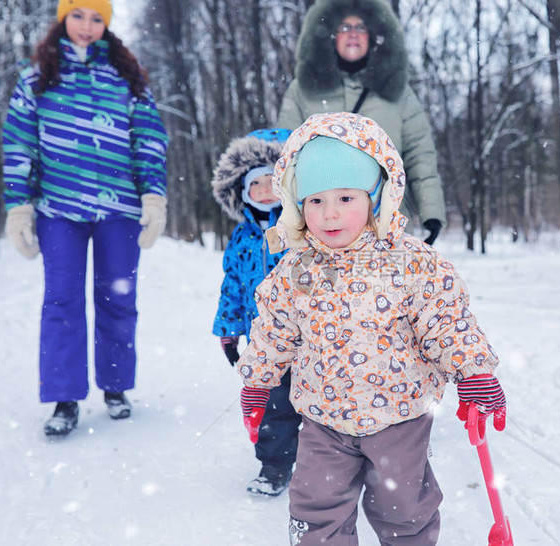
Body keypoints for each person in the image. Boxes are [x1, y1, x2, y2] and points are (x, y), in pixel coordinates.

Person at [236, 112, 507, 545]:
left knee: (404, 514)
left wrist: (474, 373)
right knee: (315, 513)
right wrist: (256, 381)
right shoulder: (294, 270)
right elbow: (273, 332)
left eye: (346, 198)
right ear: (298, 206)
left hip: (400, 417)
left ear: (376, 198)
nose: (329, 214)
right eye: (316, 200)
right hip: (323, 420)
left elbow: (446, 321)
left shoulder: (412, 262)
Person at [2, 0, 169, 437]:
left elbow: (149, 137)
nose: (86, 26)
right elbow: (19, 142)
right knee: (61, 300)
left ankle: (115, 387)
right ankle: (64, 397)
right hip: (59, 209)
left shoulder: (126, 76)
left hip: (120, 211)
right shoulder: (37, 76)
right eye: (78, 15)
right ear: (63, 17)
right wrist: (17, 204)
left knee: (118, 298)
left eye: (97, 18)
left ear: (107, 25)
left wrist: (153, 196)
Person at [277, 0, 447, 245]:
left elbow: (420, 155)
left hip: (387, 221)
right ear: (332, 36)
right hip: (323, 226)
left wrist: (431, 212)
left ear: (372, 36)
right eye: (345, 28)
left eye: (360, 28)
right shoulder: (303, 90)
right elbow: (286, 155)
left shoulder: (398, 91)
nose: (353, 34)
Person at [210, 128, 301, 497]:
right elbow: (231, 285)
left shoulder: (300, 228)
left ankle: (326, 465)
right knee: (274, 405)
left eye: (271, 181)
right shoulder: (240, 238)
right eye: (255, 183)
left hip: (310, 335)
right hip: (263, 341)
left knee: (320, 403)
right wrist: (228, 329)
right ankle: (275, 466)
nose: (264, 189)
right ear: (242, 192)